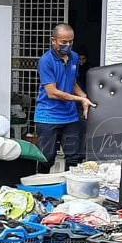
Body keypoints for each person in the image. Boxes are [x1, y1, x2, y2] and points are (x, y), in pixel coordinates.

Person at [35, 24, 94, 173]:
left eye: (71, 42)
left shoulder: (74, 57)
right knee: (46, 158)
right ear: (53, 40)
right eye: (63, 42)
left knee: (74, 158)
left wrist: (84, 97)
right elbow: (52, 92)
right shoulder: (45, 61)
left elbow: (71, 81)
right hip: (48, 116)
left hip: (70, 117)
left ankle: (70, 192)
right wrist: (79, 99)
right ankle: (41, 191)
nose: (67, 45)